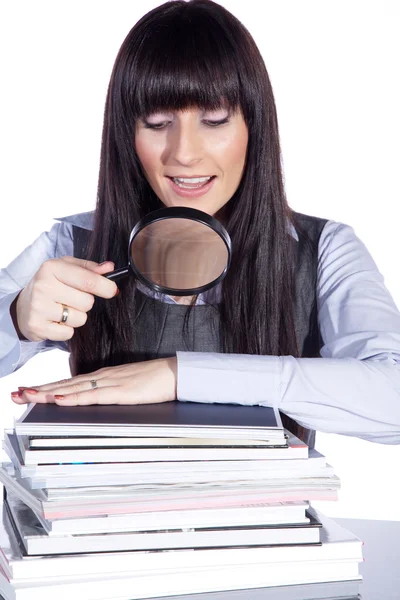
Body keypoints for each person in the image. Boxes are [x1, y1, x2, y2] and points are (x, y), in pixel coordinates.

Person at [1, 0, 400, 447]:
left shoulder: (325, 249)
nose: (184, 153)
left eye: (214, 120)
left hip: (265, 513)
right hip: (104, 511)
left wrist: (178, 375)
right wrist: (17, 317)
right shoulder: (75, 242)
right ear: (126, 133)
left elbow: (394, 399)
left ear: (255, 125)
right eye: (156, 123)